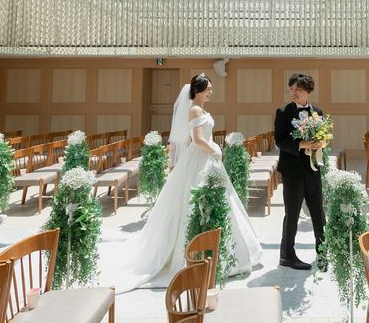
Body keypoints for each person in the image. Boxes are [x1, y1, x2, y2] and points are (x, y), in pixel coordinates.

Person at [101, 73, 262, 291]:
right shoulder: (194, 109)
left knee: (223, 200)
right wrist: (214, 149)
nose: (211, 92)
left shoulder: (201, 109)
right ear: (197, 90)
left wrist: (213, 149)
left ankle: (221, 251)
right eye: (208, 89)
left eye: (211, 89)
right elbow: (197, 139)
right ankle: (195, 250)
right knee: (193, 200)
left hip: (207, 158)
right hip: (200, 158)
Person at [274, 73, 326, 271]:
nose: (294, 93)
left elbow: (323, 136)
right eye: (292, 89)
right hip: (292, 171)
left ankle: (323, 253)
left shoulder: (318, 112)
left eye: (299, 90)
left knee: (318, 213)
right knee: (292, 214)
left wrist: (321, 143)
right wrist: (300, 144)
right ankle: (287, 256)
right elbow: (279, 140)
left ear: (308, 91)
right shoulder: (283, 112)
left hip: (313, 169)